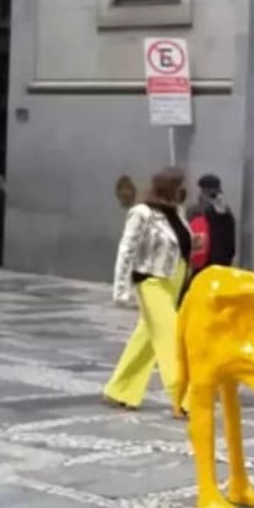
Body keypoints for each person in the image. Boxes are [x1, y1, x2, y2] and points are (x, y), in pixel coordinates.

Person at [104, 167, 192, 413]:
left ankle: (120, 388)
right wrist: (121, 289)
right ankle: (184, 398)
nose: (187, 190)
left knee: (147, 340)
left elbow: (177, 245)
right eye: (183, 185)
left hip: (173, 280)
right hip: (151, 281)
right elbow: (127, 250)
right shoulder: (141, 213)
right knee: (171, 337)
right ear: (171, 186)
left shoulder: (177, 212)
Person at [188, 174, 236, 274]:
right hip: (220, 265)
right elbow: (231, 246)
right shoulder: (226, 212)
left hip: (201, 265)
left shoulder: (194, 211)